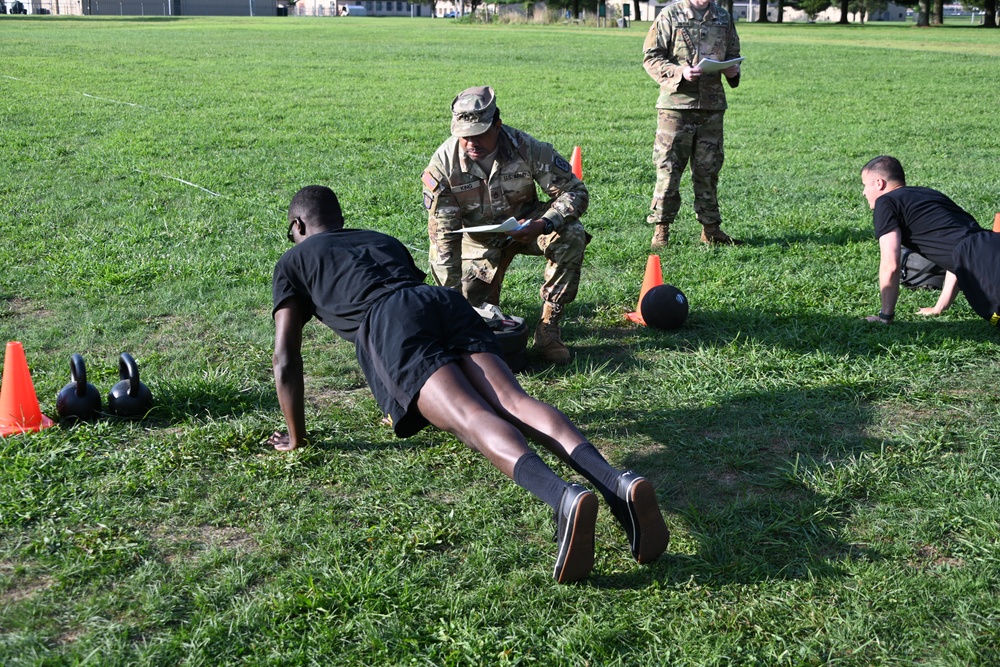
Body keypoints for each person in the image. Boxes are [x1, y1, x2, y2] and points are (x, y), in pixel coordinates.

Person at [270, 185, 670, 583]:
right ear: (340, 220)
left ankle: (561, 496)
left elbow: (285, 357)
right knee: (513, 399)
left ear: (298, 225)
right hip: (440, 301)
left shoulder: (293, 260)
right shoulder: (380, 240)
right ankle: (615, 481)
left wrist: (296, 437)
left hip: (388, 321)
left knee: (469, 415)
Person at [422, 86, 590, 365]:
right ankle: (483, 301)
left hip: (528, 228)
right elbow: (444, 238)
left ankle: (549, 328)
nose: (471, 143)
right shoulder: (443, 165)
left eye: (479, 134)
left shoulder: (526, 147)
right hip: (478, 242)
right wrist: (451, 306)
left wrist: (543, 223)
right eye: (464, 137)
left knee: (571, 233)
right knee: (469, 306)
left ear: (497, 125)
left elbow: (575, 192)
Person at [642, 0, 742, 249]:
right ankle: (661, 230)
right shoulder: (670, 15)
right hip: (675, 106)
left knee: (708, 170)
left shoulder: (722, 17)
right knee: (669, 169)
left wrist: (733, 70)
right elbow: (651, 58)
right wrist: (679, 73)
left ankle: (711, 230)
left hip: (711, 107)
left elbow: (732, 55)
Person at [861, 155, 1000, 327]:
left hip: (981, 262)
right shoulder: (928, 193)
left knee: (996, 317)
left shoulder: (886, 202)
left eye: (864, 185)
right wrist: (939, 307)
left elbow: (891, 265)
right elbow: (958, 255)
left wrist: (885, 317)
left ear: (879, 183)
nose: (864, 192)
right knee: (995, 318)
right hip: (990, 242)